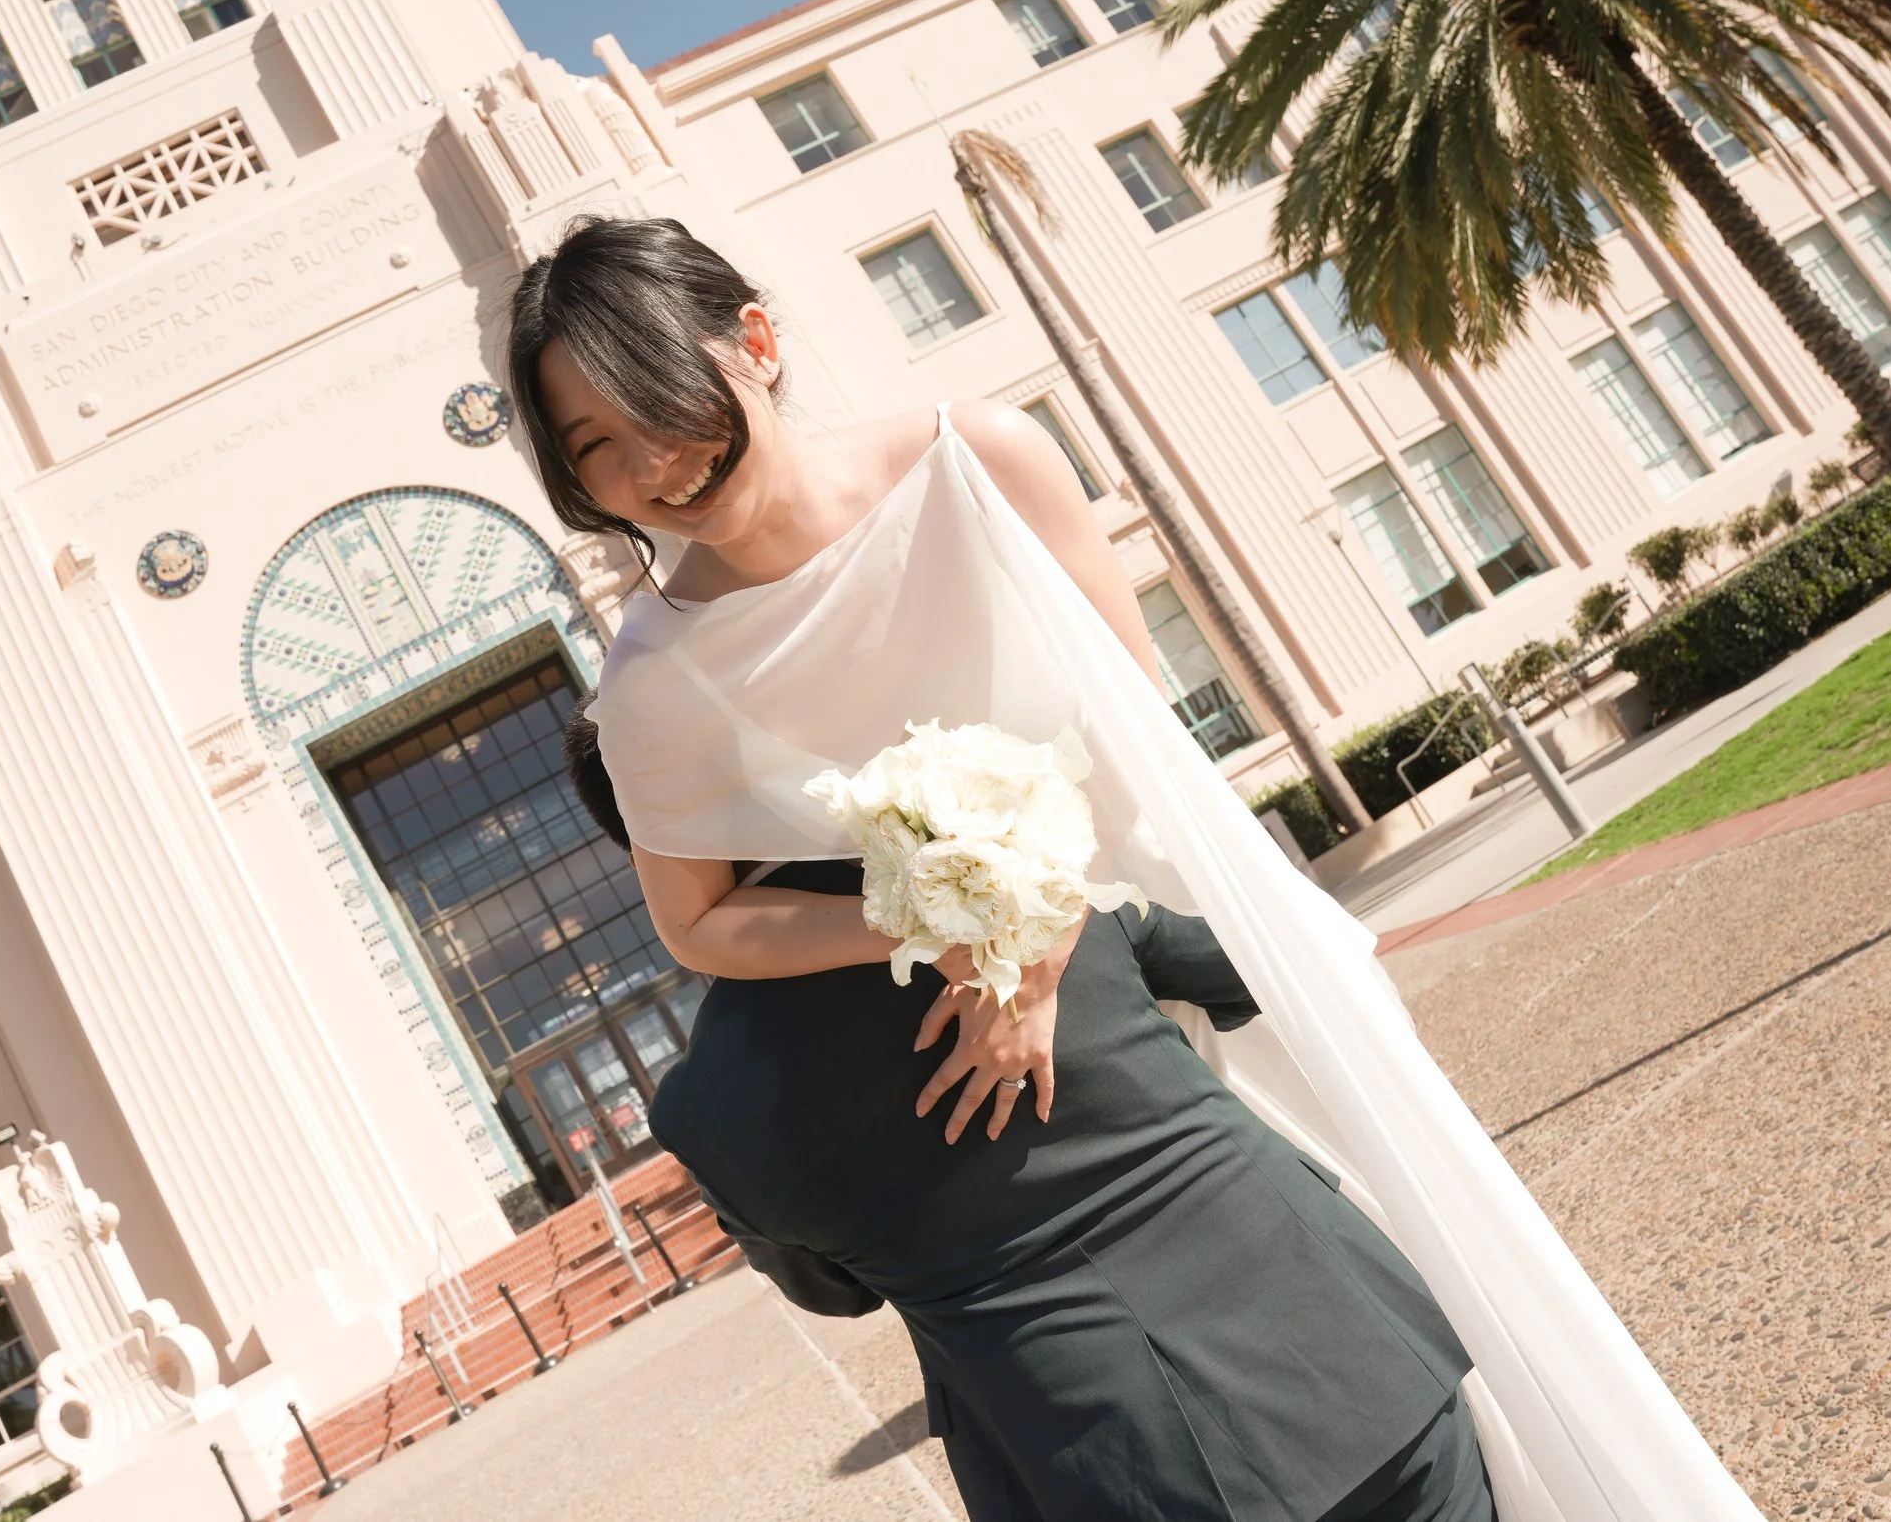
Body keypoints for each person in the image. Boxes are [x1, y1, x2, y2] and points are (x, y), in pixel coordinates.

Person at [522, 215, 1496, 1521]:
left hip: (1155, 961)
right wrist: (933, 917)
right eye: (592, 443)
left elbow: (1132, 731)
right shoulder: (650, 678)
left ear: (752, 340)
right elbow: (700, 923)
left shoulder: (982, 458)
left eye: (653, 396)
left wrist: (1035, 946)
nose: (649, 461)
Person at [562, 706, 1490, 1521]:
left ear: (641, 850)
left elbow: (835, 1293)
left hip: (1107, 1469)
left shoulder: (705, 1110)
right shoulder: (1017, 880)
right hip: (1348, 1352)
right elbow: (1258, 971)